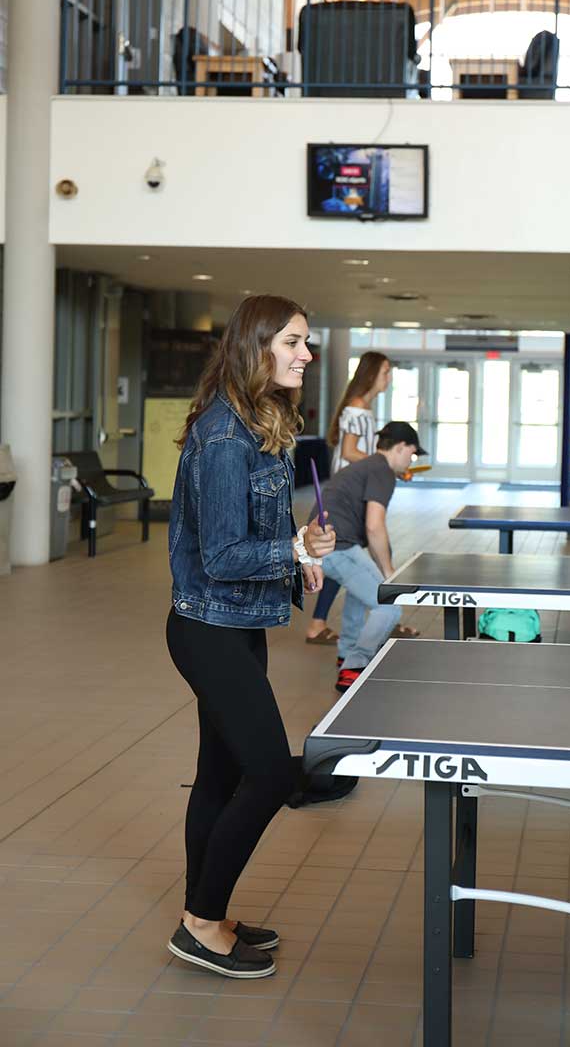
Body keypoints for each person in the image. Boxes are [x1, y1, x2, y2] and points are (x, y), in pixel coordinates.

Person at [165, 295, 336, 979]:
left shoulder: (258, 421)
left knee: (221, 773)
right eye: (295, 341)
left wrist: (301, 546)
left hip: (238, 625)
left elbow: (255, 538)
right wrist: (289, 551)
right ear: (259, 344)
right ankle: (204, 922)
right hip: (207, 626)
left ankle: (200, 915)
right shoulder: (226, 434)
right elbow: (221, 556)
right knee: (269, 775)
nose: (307, 354)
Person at [306, 351, 419, 643]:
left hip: (355, 492)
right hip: (348, 497)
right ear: (370, 374)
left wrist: (388, 468)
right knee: (347, 557)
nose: (388, 378)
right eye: (385, 372)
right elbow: (347, 452)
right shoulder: (357, 408)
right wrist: (381, 465)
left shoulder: (363, 409)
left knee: (349, 564)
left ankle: (346, 636)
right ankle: (364, 625)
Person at [317, 421, 427, 692]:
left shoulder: (368, 466)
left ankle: (347, 653)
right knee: (389, 605)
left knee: (360, 593)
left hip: (324, 544)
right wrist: (390, 572)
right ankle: (355, 666)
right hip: (337, 545)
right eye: (411, 454)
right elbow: (374, 525)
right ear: (400, 448)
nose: (410, 462)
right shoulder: (383, 470)